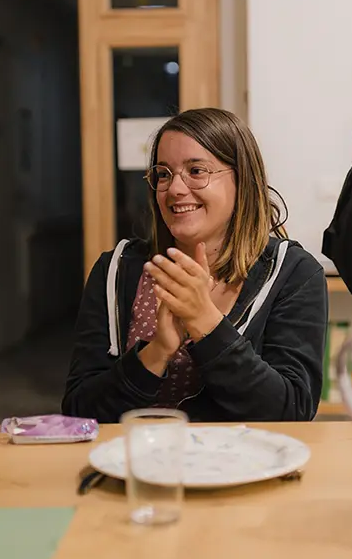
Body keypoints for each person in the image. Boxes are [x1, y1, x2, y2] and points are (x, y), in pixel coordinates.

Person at [62, 108, 328, 423]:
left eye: (196, 171)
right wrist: (157, 351)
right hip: (136, 465)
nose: (175, 189)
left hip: (240, 468)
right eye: (163, 173)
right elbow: (80, 411)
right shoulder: (116, 269)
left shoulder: (293, 273)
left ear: (242, 179)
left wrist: (206, 322)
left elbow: (292, 413)